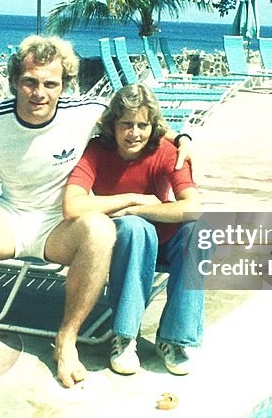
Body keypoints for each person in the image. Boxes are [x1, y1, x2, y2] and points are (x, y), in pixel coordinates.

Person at [0, 36, 192, 388]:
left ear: (64, 85)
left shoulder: (86, 113)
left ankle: (66, 340)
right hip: (10, 216)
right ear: (14, 81)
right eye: (30, 81)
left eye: (50, 83)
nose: (39, 92)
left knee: (100, 230)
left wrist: (184, 139)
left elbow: (141, 122)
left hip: (61, 225)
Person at [63, 84, 205, 376]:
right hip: (125, 242)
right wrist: (129, 202)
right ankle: (125, 337)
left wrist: (138, 208)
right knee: (134, 228)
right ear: (113, 125)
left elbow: (192, 207)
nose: (134, 133)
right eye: (126, 124)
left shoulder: (166, 152)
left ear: (153, 127)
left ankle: (174, 340)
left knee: (198, 232)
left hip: (164, 242)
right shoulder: (98, 151)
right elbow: (72, 207)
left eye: (142, 125)